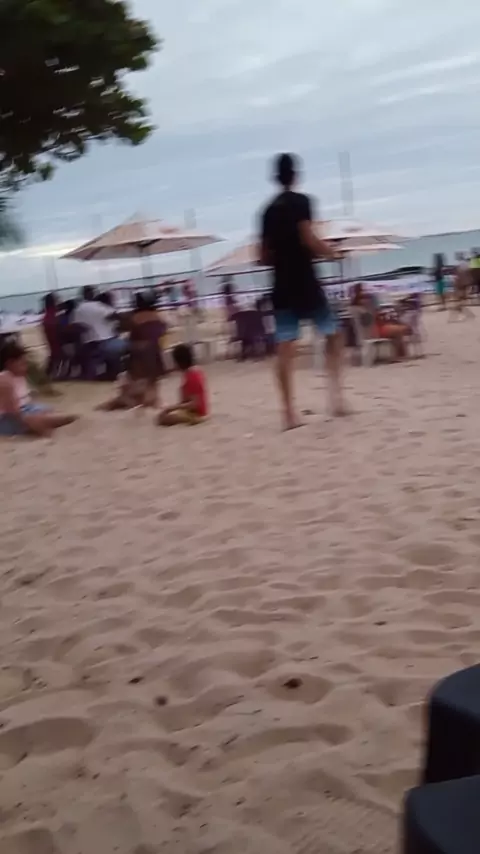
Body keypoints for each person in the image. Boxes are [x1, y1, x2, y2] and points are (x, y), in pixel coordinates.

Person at [258, 153, 346, 429]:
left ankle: (288, 413)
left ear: (276, 177)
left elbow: (262, 256)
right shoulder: (302, 202)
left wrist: (281, 255)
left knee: (285, 347)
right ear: (295, 175)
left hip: (281, 285)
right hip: (305, 281)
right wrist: (332, 253)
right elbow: (308, 238)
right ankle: (336, 397)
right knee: (333, 334)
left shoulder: (267, 211)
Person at [97, 291, 167, 411]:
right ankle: (150, 399)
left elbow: (117, 325)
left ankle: (128, 400)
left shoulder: (135, 318)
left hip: (139, 357)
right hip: (155, 356)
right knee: (151, 384)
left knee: (130, 380)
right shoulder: (159, 318)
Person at [0, 342, 78, 437]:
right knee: (39, 419)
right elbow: (13, 412)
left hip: (26, 408)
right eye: (22, 364)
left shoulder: (19, 374)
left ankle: (56, 420)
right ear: (10, 364)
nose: (26, 366)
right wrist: (32, 423)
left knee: (47, 411)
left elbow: (26, 400)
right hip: (7, 418)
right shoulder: (4, 381)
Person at [72, 285, 126, 378]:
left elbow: (76, 328)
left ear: (83, 295)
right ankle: (115, 374)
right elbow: (116, 316)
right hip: (108, 342)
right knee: (124, 348)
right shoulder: (101, 306)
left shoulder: (78, 309)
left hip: (89, 344)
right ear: (93, 294)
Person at [351, 282, 410, 360]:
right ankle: (400, 355)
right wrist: (372, 311)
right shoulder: (360, 309)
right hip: (373, 331)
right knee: (400, 330)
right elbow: (368, 321)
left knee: (398, 332)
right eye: (363, 296)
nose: (366, 298)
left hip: (376, 327)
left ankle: (400, 355)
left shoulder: (361, 307)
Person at [157, 344, 208, 426]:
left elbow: (194, 404)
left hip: (196, 413)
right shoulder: (193, 373)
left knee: (163, 418)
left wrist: (172, 408)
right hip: (193, 410)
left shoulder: (192, 376)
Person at [42, 292, 62, 377]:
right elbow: (61, 326)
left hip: (52, 341)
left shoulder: (47, 315)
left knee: (53, 356)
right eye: (58, 300)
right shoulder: (55, 315)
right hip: (58, 342)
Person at [450, 253, 474, 320]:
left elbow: (456, 275)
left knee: (460, 298)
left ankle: (459, 308)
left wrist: (455, 283)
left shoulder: (458, 265)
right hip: (465, 283)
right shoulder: (466, 264)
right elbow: (469, 274)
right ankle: (459, 308)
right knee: (464, 298)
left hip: (460, 283)